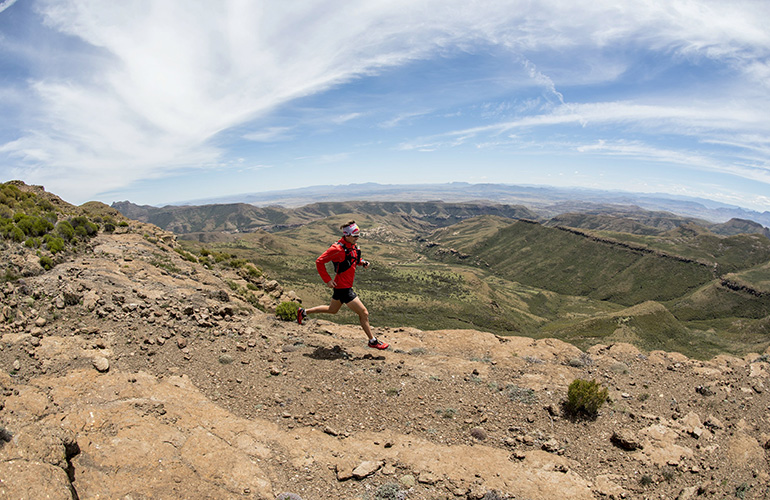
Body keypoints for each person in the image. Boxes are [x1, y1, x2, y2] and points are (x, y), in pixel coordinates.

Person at [297, 221, 389, 350]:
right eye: (355, 235)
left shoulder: (353, 246)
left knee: (332, 310)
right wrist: (327, 280)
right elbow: (319, 261)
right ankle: (372, 341)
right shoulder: (337, 249)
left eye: (358, 235)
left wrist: (362, 263)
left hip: (344, 286)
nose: (357, 238)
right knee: (364, 312)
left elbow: (352, 260)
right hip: (343, 288)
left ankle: (303, 312)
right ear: (347, 235)